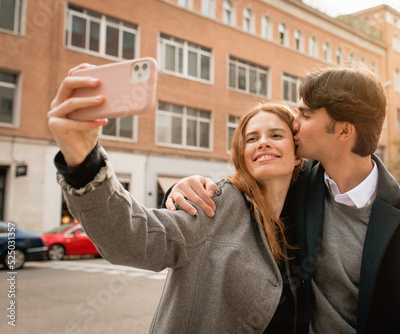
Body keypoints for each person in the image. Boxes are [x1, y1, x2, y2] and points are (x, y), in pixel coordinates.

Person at [164, 66, 400, 333]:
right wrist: (182, 188)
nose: (295, 124)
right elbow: (240, 191)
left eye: (305, 114)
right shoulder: (294, 184)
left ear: (344, 130)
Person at [47, 63, 305, 333]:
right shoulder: (214, 203)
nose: (263, 142)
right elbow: (133, 238)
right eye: (252, 138)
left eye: (276, 135)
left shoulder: (313, 205)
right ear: (241, 153)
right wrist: (84, 164)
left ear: (297, 150)